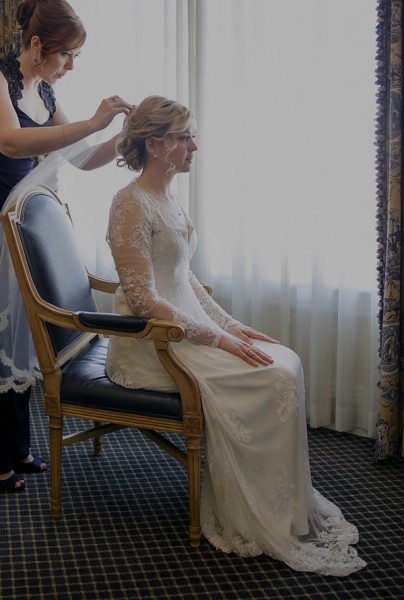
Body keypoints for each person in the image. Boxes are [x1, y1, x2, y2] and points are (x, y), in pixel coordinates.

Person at [105, 95, 367, 576]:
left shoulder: (165, 195)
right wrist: (219, 340)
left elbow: (184, 280)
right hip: (152, 341)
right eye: (185, 137)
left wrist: (231, 325)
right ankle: (253, 514)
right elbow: (145, 301)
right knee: (270, 378)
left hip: (182, 324)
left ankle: (281, 505)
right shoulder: (128, 204)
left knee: (283, 358)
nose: (194, 147)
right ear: (156, 144)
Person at [0, 0, 133, 492]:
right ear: (38, 45)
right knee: (1, 334)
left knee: (18, 334)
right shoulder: (0, 79)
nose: (71, 66)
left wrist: (123, 136)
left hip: (19, 219)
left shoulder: (47, 90)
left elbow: (79, 158)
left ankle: (15, 447)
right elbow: (11, 143)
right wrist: (93, 122)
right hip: (0, 216)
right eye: (67, 55)